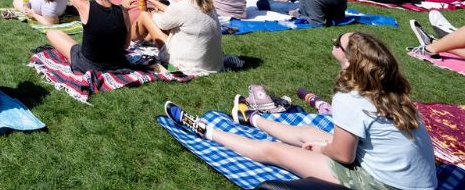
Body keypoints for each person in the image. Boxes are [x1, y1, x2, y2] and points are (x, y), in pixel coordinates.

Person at [164, 32, 436, 190]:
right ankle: (252, 117)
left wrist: (321, 149)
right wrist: (320, 143)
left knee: (276, 152)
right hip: (416, 182)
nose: (332, 46)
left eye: (335, 43)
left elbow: (343, 154)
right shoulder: (389, 87)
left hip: (383, 185)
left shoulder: (352, 97)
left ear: (347, 58)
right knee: (310, 132)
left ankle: (206, 130)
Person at [133, 0, 224, 76]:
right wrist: (151, 0)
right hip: (211, 63)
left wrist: (153, 12)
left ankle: (126, 42)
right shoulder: (205, 2)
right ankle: (138, 40)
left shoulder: (182, 7)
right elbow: (174, 12)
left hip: (186, 64)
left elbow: (161, 23)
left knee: (144, 15)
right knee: (162, 17)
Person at [43, 0, 131, 72]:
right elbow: (126, 45)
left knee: (52, 33)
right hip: (116, 63)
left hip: (89, 64)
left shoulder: (85, 6)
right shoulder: (123, 11)